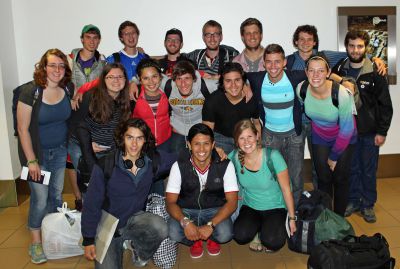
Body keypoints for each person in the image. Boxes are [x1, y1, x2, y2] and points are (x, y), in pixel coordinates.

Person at [81, 118, 175, 269]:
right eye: (129, 137)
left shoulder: (153, 161)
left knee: (160, 227)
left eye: (139, 138)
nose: (134, 144)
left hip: (135, 220)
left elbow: (183, 158)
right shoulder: (106, 165)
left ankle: (137, 249)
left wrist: (213, 153)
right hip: (109, 226)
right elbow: (91, 204)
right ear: (122, 138)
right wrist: (88, 239)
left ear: (145, 141)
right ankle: (119, 244)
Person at [17, 48, 73, 264]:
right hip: (35, 156)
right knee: (40, 199)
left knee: (56, 196)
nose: (57, 69)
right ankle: (36, 243)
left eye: (61, 65)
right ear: (43, 67)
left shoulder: (67, 88)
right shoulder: (30, 92)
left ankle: (50, 233)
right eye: (52, 65)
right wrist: (32, 162)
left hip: (59, 151)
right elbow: (22, 130)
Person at [331, 30, 393, 222]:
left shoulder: (375, 70)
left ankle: (367, 204)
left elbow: (385, 105)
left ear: (365, 47)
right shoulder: (340, 67)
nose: (355, 50)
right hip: (347, 131)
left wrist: (382, 132)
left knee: (368, 169)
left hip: (369, 131)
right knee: (352, 168)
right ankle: (353, 200)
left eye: (359, 46)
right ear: (346, 47)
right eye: (351, 45)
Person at [166, 123, 238, 258]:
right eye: (196, 144)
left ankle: (211, 237)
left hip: (214, 210)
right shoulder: (179, 166)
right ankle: (195, 239)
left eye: (206, 144)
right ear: (188, 144)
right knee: (173, 232)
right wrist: (185, 223)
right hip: (187, 210)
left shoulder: (225, 165)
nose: (202, 149)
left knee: (225, 234)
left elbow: (232, 202)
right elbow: (170, 202)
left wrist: (211, 225)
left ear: (213, 144)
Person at [297, 54, 357, 216]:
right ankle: (326, 218)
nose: (316, 75)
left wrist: (334, 156)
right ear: (306, 72)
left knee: (340, 178)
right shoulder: (301, 89)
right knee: (323, 179)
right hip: (320, 136)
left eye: (320, 70)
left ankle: (338, 219)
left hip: (344, 137)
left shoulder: (342, 93)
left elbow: (347, 129)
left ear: (328, 72)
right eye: (312, 70)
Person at [247, 44, 306, 205]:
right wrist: (245, 86)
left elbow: (319, 72)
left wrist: (343, 80)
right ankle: (277, 209)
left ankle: (295, 213)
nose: (273, 66)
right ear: (264, 63)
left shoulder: (294, 77)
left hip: (294, 135)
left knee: (295, 176)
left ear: (284, 62)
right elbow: (236, 75)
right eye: (269, 62)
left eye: (277, 61)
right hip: (270, 136)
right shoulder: (257, 79)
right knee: (271, 176)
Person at [229, 119, 296, 252]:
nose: (246, 142)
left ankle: (265, 231)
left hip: (275, 207)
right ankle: (257, 232)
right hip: (250, 206)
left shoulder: (273, 157)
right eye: (241, 138)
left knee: (272, 241)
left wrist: (292, 218)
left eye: (249, 137)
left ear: (257, 136)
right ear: (237, 141)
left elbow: (286, 189)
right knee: (239, 236)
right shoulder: (235, 157)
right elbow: (217, 165)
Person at [68, 62, 131, 192]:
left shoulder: (126, 99)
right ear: (103, 79)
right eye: (111, 77)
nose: (116, 80)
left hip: (108, 148)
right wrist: (88, 145)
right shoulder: (90, 96)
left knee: (108, 187)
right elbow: (78, 125)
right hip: (82, 145)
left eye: (120, 77)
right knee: (91, 186)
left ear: (125, 79)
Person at [67, 24, 106, 209]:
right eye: (88, 37)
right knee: (75, 164)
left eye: (95, 37)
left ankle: (93, 206)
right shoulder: (68, 60)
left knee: (91, 167)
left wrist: (83, 89)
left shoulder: (103, 61)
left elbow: (107, 83)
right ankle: (80, 201)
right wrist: (71, 94)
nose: (92, 41)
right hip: (72, 122)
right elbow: (59, 83)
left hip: (94, 122)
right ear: (82, 39)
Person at [132, 58, 172, 194]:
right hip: (143, 144)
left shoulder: (168, 92)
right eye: (146, 78)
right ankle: (145, 210)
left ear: (160, 77)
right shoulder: (134, 96)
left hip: (164, 142)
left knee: (159, 177)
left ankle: (158, 208)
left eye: (154, 77)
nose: (151, 82)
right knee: (145, 177)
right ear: (140, 79)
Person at [202, 62, 261, 154]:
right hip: (220, 139)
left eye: (237, 80)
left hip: (244, 137)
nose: (233, 85)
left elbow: (257, 123)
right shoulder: (212, 101)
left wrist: (258, 143)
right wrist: (214, 148)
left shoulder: (250, 99)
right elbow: (207, 131)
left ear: (243, 81)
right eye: (228, 81)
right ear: (222, 83)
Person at [167, 60, 219, 152]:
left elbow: (230, 82)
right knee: (175, 160)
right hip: (178, 131)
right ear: (174, 80)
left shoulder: (205, 85)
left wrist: (245, 85)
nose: (183, 84)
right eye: (179, 79)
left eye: (187, 78)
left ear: (193, 78)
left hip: (200, 130)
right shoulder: (168, 86)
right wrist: (134, 82)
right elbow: (149, 77)